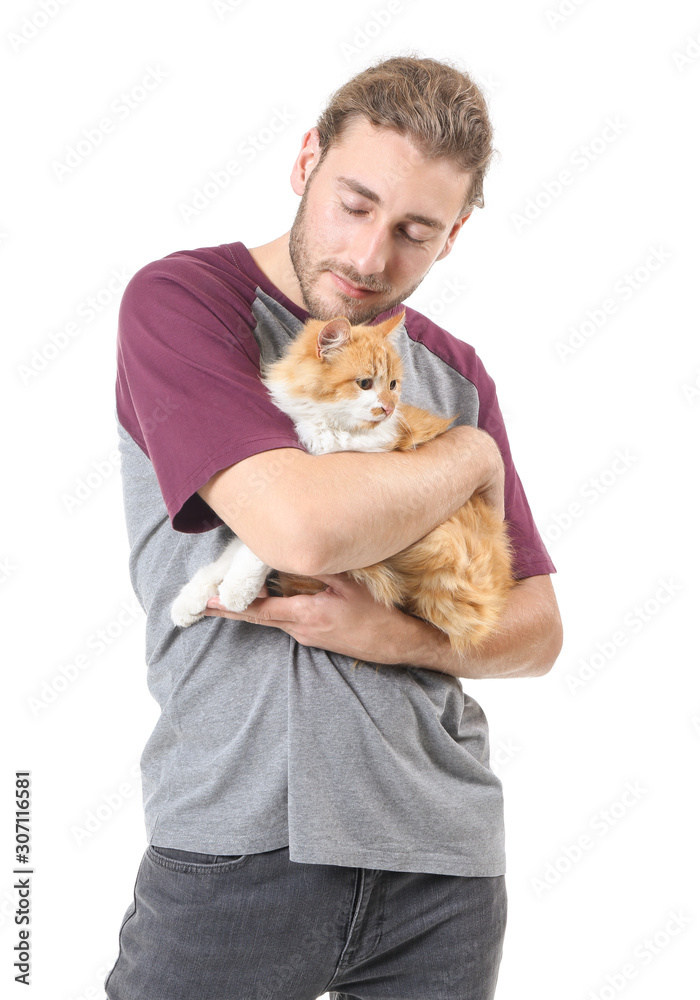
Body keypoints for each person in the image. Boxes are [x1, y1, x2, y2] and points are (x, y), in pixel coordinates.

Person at [105, 55, 562, 1000]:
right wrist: (467, 459)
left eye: (414, 231)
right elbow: (300, 533)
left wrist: (394, 635)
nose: (368, 258)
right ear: (307, 157)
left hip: (443, 862)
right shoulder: (187, 304)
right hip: (236, 849)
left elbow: (537, 632)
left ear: (457, 234)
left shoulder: (455, 372)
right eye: (354, 204)